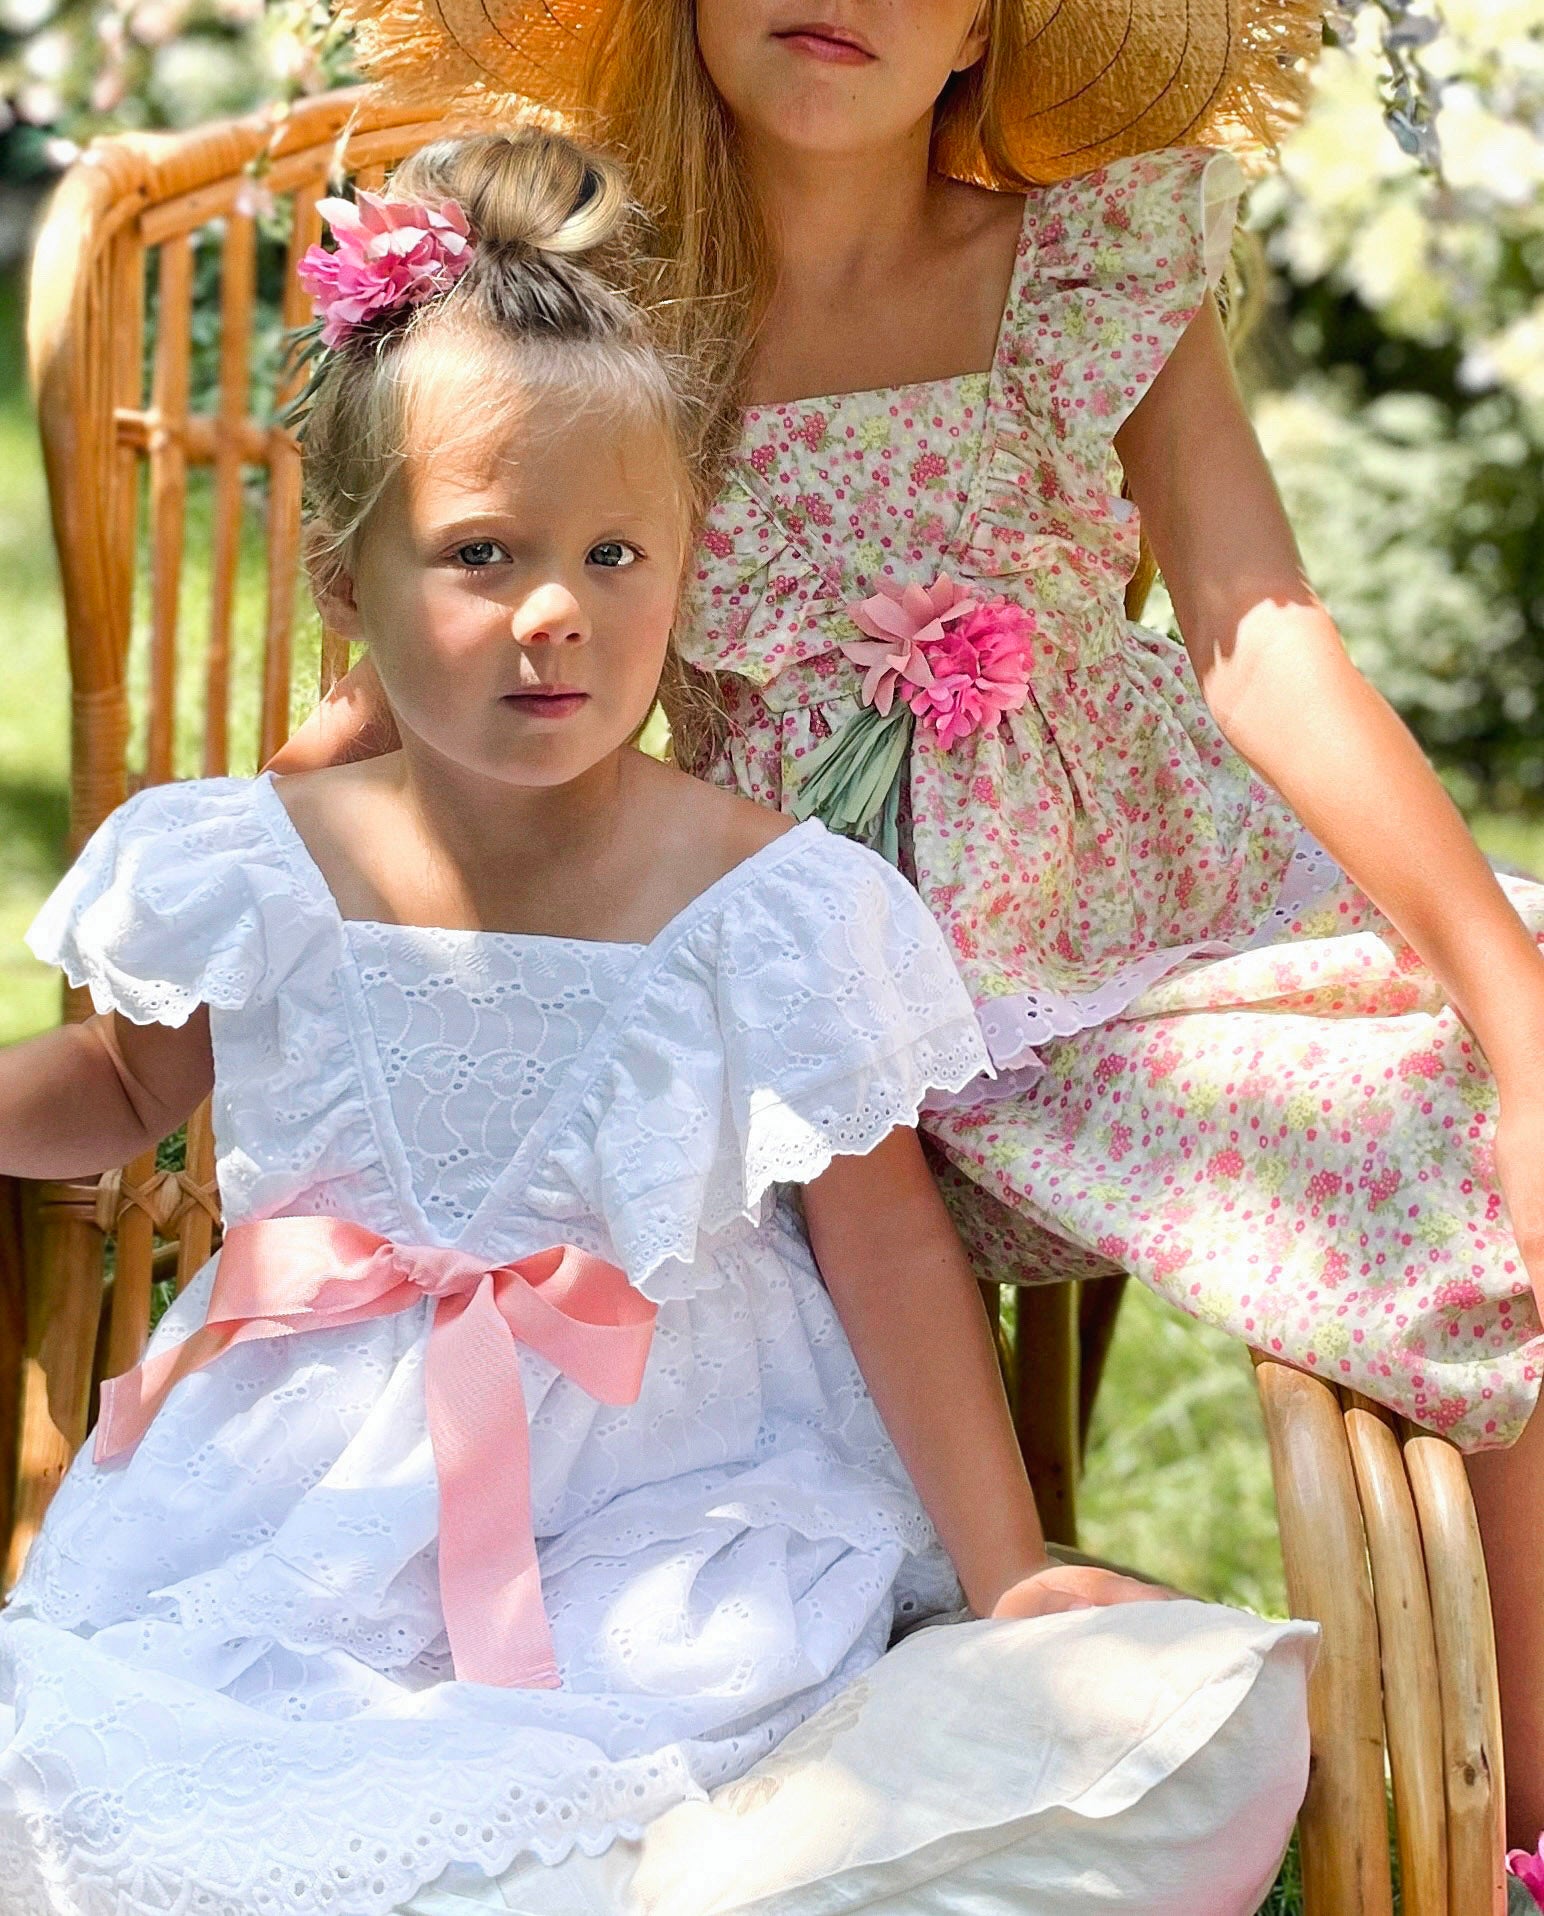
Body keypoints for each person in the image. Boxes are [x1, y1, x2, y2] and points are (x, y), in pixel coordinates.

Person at [0, 128, 1311, 1916]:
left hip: (678, 1502)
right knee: (147, 1779)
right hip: (299, 1481)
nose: (556, 613)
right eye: (481, 552)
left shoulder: (770, 906)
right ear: (346, 581)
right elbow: (118, 1088)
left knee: (1110, 1741)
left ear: (687, 564)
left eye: (618, 552)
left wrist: (1006, 1584)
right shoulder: (250, 863)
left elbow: (891, 1252)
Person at [302, 0, 1544, 1859]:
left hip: (1174, 909)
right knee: (1424, 1125)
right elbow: (456, 644)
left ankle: (1510, 1813)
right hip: (907, 1030)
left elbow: (1258, 627)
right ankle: (1517, 1832)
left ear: (989, 22)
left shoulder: (1082, 263)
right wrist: (257, 849)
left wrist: (1519, 1018)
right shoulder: (604, 325)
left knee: (1509, 1046)